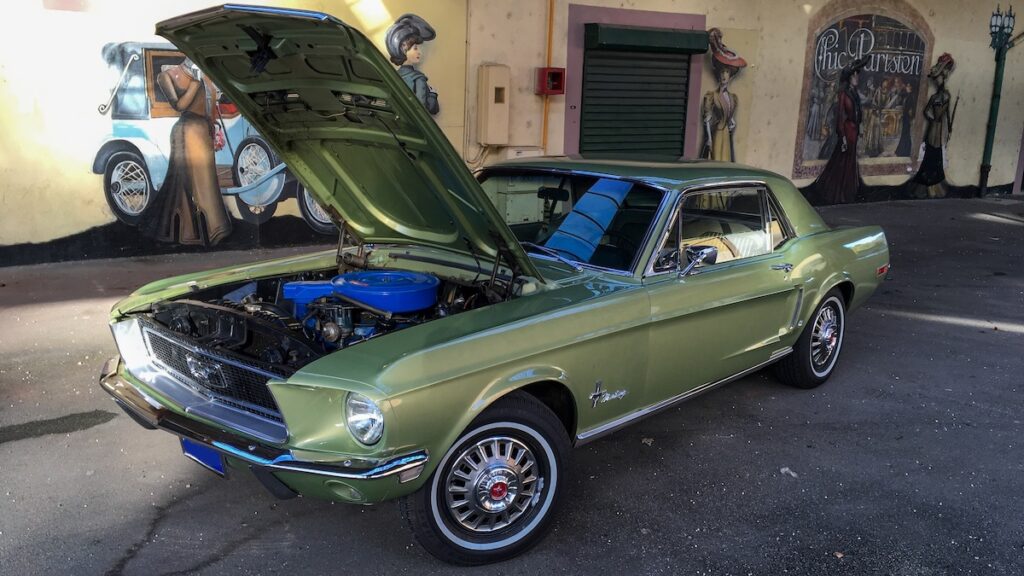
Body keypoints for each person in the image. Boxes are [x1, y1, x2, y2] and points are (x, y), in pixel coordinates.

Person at [141, 58, 232, 245]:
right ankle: (196, 233)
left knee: (201, 183)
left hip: (202, 132)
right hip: (186, 131)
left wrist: (214, 129)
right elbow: (179, 106)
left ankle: (200, 232)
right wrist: (194, 85)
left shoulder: (206, 77)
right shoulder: (166, 76)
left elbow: (210, 107)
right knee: (191, 182)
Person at [813, 57, 868, 204]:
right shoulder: (843, 93)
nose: (857, 77)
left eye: (857, 74)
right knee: (842, 161)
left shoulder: (854, 93)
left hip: (854, 131)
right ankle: (836, 192)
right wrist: (842, 136)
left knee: (849, 161)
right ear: (849, 77)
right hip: (847, 131)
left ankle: (847, 192)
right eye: (854, 75)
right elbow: (840, 116)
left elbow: (858, 112)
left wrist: (860, 128)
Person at [701, 28, 747, 162]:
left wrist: (732, 123)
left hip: (726, 135)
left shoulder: (733, 98)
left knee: (726, 161)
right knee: (716, 161)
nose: (723, 76)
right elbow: (707, 119)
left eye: (726, 72)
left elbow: (731, 118)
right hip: (717, 134)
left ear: (731, 75)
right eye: (722, 72)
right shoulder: (712, 96)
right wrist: (709, 139)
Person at [913, 53, 955, 187]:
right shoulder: (937, 97)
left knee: (935, 152)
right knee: (931, 152)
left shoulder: (944, 96)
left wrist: (934, 114)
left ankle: (934, 177)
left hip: (937, 130)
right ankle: (928, 176)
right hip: (934, 128)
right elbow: (927, 112)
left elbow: (937, 114)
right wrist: (932, 115)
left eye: (937, 78)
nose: (935, 81)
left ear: (944, 76)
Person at [385, 14, 439, 115]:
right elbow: (423, 110)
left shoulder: (392, 77)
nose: (419, 52)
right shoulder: (418, 78)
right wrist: (432, 95)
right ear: (403, 49)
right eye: (415, 48)